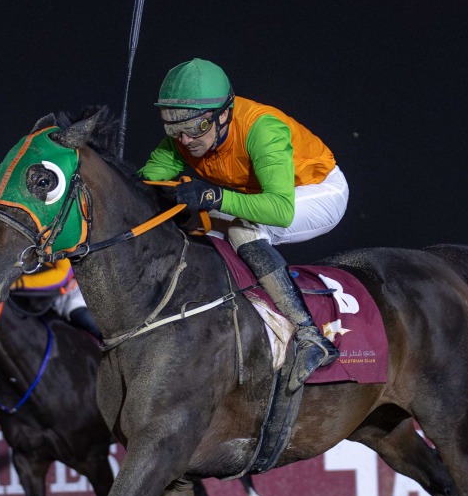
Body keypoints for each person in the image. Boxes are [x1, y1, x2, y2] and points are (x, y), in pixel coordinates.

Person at [138, 58, 349, 389]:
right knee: (199, 229)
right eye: (175, 129)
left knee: (241, 229)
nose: (186, 139)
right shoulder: (184, 138)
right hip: (259, 196)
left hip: (314, 191)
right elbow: (145, 185)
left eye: (197, 128)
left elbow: (280, 209)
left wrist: (214, 198)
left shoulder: (262, 128)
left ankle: (309, 334)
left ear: (224, 114)